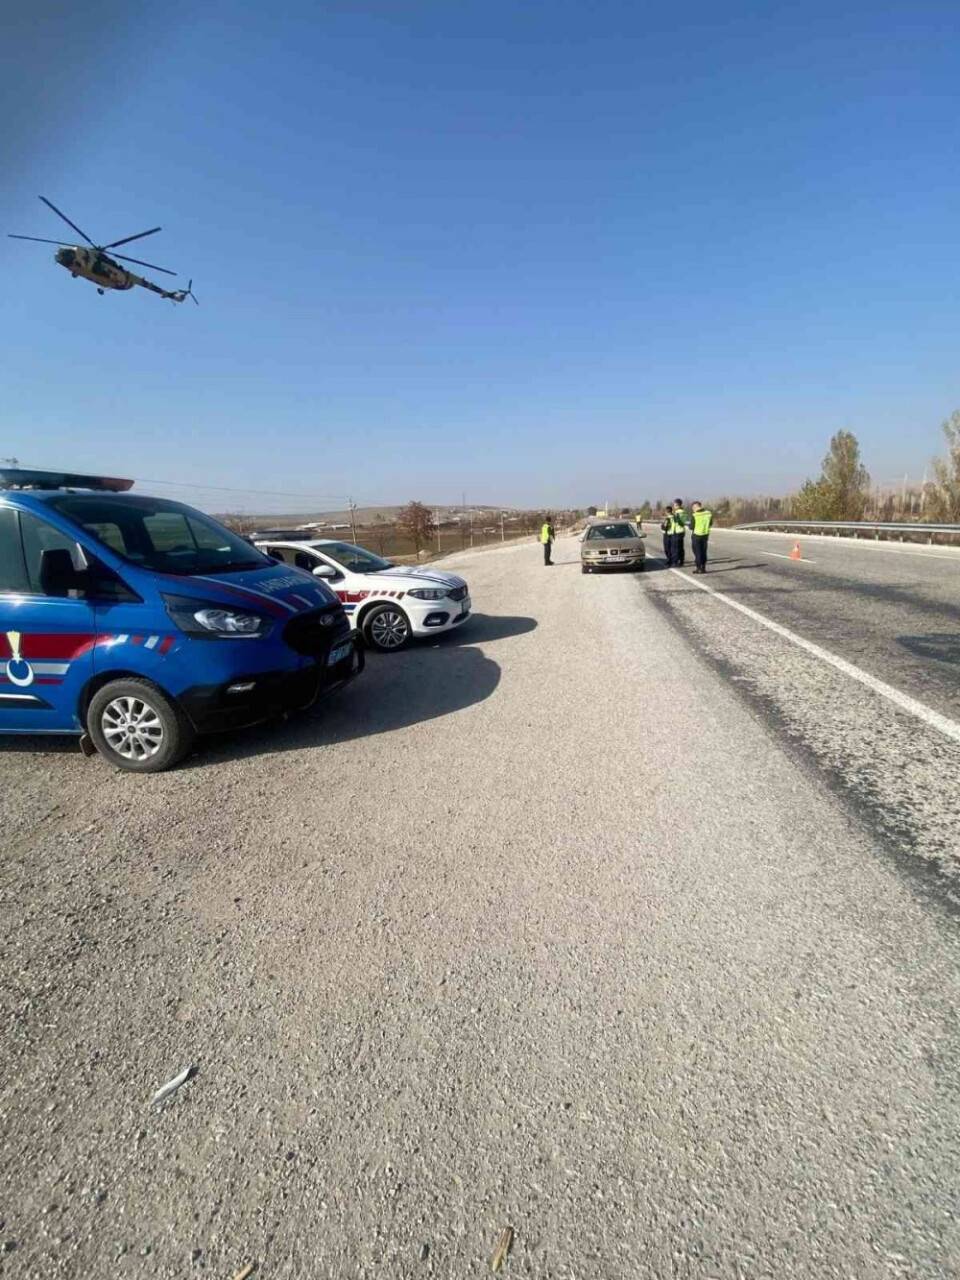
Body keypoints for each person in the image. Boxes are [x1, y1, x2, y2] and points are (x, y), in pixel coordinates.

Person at [690, 501, 713, 573]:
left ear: (696, 506)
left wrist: (690, 526)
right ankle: (703, 567)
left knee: (697, 552)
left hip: (696, 535)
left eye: (693, 508)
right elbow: (710, 523)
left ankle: (698, 568)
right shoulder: (708, 513)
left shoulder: (695, 515)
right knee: (703, 551)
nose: (693, 509)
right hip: (705, 535)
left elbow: (691, 526)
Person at [671, 500, 689, 567]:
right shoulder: (683, 512)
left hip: (677, 532)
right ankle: (681, 561)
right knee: (680, 547)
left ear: (678, 505)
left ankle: (676, 562)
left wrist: (676, 516)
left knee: (676, 548)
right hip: (681, 531)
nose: (674, 506)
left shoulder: (678, 513)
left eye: (674, 505)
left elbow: (679, 522)